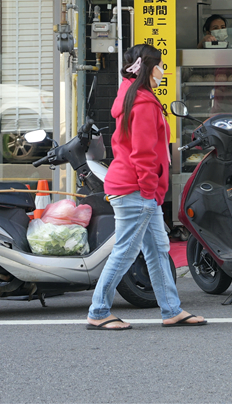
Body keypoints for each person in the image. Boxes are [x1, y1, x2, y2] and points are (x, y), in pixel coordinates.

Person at [87, 44, 206, 329]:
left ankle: (171, 309)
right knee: (127, 250)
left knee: (157, 248)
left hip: (136, 187)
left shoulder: (132, 96)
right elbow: (143, 153)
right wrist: (151, 190)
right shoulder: (141, 102)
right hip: (135, 189)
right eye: (161, 66)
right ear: (149, 69)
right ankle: (99, 311)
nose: (163, 71)